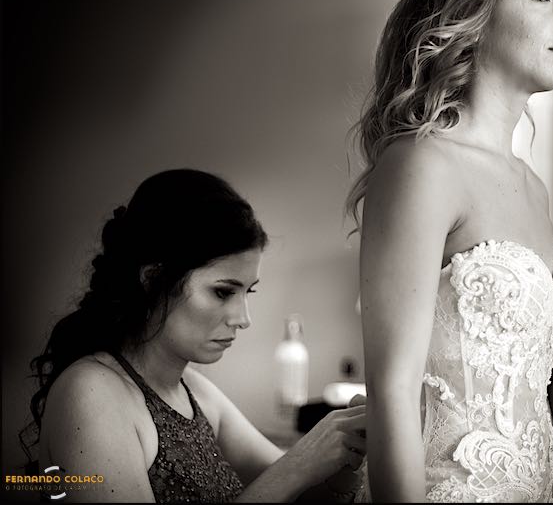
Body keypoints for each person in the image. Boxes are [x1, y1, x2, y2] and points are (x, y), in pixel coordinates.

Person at [343, 0, 553, 503]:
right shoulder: (421, 165)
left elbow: (532, 411)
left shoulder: (534, 186)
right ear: (473, 8)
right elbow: (393, 392)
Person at [19, 169, 366, 503]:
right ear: (154, 280)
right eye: (222, 292)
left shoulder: (192, 390)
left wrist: (346, 453)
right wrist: (298, 464)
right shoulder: (91, 393)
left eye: (249, 292)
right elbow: (287, 477)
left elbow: (300, 493)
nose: (243, 319)